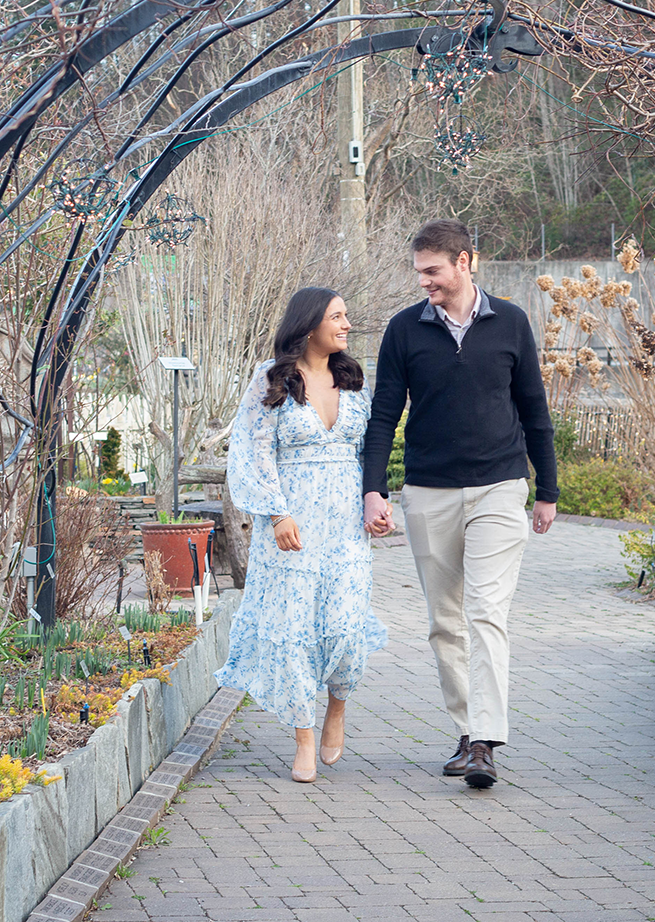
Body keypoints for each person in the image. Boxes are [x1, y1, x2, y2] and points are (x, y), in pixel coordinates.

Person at [362, 219, 557, 790]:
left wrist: (546, 489)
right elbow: (383, 415)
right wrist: (374, 488)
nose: (425, 282)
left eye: (433, 271)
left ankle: (484, 742)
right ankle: (467, 730)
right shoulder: (404, 331)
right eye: (419, 272)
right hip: (429, 492)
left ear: (464, 262)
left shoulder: (511, 322)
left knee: (486, 612)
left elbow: (534, 409)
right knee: (445, 621)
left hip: (500, 487)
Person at [217, 286, 393, 782]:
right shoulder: (271, 380)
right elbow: (251, 451)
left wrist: (374, 502)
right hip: (291, 528)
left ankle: (336, 709)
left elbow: (366, 453)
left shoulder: (353, 380)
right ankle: (303, 736)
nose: (347, 324)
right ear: (310, 323)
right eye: (338, 316)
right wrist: (276, 513)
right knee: (294, 633)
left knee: (345, 625)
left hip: (344, 529)